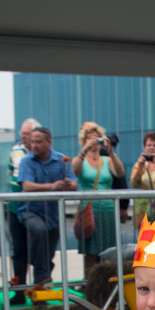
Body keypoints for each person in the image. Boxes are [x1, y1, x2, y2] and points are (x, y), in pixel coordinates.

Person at [17, 125, 77, 285]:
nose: (34, 145)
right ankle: (42, 279)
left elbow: (74, 184)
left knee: (47, 254)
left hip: (53, 214)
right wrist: (51, 186)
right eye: (32, 142)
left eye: (38, 142)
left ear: (49, 142)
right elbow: (27, 186)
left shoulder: (61, 160)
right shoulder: (26, 160)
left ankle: (42, 272)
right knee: (39, 230)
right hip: (30, 211)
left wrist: (66, 185)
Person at [71, 121, 125, 273]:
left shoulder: (107, 160)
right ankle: (90, 287)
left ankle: (108, 287)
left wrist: (111, 152)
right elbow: (74, 171)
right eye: (89, 138)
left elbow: (120, 173)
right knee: (91, 253)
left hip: (108, 210)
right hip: (89, 211)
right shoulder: (80, 159)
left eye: (97, 137)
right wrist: (85, 150)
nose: (94, 141)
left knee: (110, 252)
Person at [8, 117, 39, 284]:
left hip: (35, 209)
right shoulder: (14, 151)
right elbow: (10, 173)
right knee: (18, 249)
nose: (24, 136)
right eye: (22, 133)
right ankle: (19, 287)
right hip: (15, 207)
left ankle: (39, 287)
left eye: (27, 133)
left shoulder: (40, 154)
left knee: (38, 249)